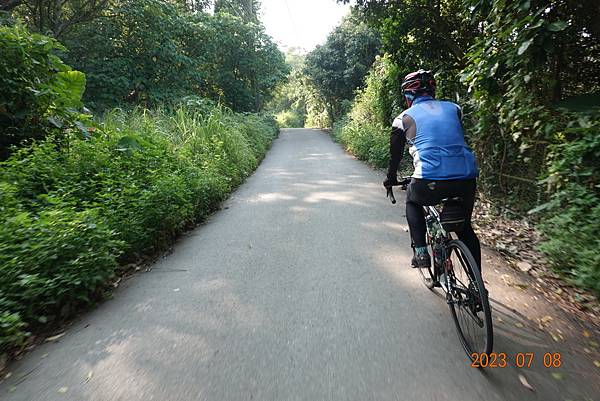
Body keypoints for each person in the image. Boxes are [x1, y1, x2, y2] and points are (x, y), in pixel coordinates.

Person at [383, 69, 481, 271]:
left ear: (408, 95)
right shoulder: (454, 109)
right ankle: (478, 293)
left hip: (429, 179)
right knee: (465, 230)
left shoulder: (403, 118)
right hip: (467, 177)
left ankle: (420, 252)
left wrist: (390, 179)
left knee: (412, 200)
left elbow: (395, 157)